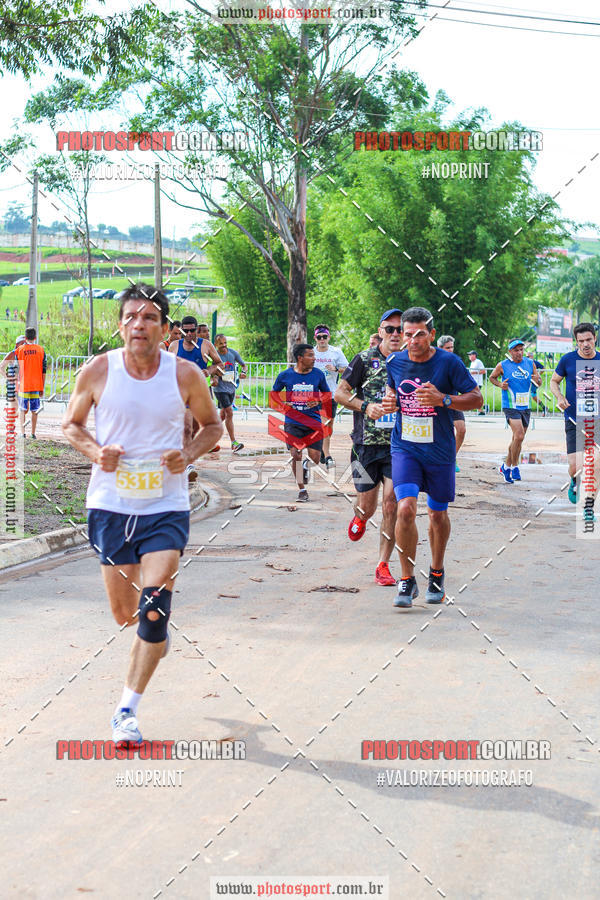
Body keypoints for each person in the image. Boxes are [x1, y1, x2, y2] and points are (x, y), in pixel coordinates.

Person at [62, 283, 222, 746]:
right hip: (111, 504)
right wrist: (96, 452)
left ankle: (126, 710)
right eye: (131, 316)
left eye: (150, 317)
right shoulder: (98, 370)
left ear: (165, 328)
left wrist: (187, 455)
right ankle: (154, 639)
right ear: (120, 325)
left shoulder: (185, 374)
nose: (139, 324)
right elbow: (71, 425)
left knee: (152, 613)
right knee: (123, 614)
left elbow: (212, 426)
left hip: (165, 506)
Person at [381, 307, 482, 608]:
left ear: (432, 333)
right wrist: (388, 402)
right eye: (407, 334)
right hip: (405, 447)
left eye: (419, 334)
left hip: (439, 450)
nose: (412, 340)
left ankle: (436, 572)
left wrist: (444, 400)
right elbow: (392, 393)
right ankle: (407, 579)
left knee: (437, 515)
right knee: (406, 510)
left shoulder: (449, 363)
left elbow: (476, 398)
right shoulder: (395, 362)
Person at [334, 308, 403, 586]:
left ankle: (382, 565)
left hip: (399, 446)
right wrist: (366, 406)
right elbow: (339, 393)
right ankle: (360, 517)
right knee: (368, 506)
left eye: (400, 329)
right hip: (365, 444)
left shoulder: (412, 362)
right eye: (390, 329)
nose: (396, 334)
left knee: (392, 503)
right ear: (381, 331)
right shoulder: (364, 359)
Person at [270, 344, 331, 503]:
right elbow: (274, 395)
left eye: (314, 355)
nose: (314, 358)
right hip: (293, 422)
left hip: (313, 422)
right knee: (295, 454)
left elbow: (327, 395)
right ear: (300, 358)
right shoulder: (285, 375)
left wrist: (317, 400)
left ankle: (306, 466)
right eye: (310, 355)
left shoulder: (318, 374)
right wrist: (284, 405)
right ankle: (302, 490)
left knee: (315, 459)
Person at [550, 322, 600, 505]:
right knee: (575, 466)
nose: (585, 344)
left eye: (589, 339)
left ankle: (589, 505)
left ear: (595, 338)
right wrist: (559, 396)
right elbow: (554, 381)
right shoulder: (568, 360)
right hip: (573, 419)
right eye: (581, 341)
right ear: (576, 342)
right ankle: (574, 480)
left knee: (595, 464)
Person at [169, 315, 222, 474]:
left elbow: (220, 364)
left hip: (201, 394)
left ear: (197, 331)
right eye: (185, 331)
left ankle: (183, 453)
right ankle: (188, 465)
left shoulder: (206, 345)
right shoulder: (174, 346)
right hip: (182, 394)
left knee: (194, 429)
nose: (189, 334)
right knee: (185, 428)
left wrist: (209, 371)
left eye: (192, 330)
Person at [489, 339, 540, 484]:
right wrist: (500, 384)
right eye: (516, 350)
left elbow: (537, 382)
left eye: (521, 349)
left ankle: (510, 466)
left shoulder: (530, 363)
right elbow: (492, 377)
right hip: (510, 405)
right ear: (510, 352)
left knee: (517, 439)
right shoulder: (503, 365)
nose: (519, 353)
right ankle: (511, 466)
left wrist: (539, 380)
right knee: (519, 435)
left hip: (525, 405)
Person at [313, 325, 348, 468]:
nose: (322, 339)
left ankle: (322, 448)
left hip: (331, 393)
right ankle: (327, 455)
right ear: (315, 338)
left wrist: (335, 369)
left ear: (329, 337)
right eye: (319, 337)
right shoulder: (311, 352)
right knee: (323, 424)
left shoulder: (336, 352)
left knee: (329, 425)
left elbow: (347, 369)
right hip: (314, 395)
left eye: (324, 337)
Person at [212, 333, 247, 452]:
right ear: (216, 345)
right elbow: (210, 370)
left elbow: (244, 365)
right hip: (220, 389)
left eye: (225, 342)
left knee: (222, 416)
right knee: (229, 412)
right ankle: (234, 442)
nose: (224, 345)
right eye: (221, 343)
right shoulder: (214, 356)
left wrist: (244, 373)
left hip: (231, 388)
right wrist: (215, 377)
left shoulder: (232, 353)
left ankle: (207, 436)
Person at [437, 335, 466, 473]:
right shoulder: (433, 362)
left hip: (453, 401)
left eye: (452, 347)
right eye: (448, 348)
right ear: (440, 348)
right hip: (438, 403)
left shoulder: (456, 361)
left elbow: (465, 382)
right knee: (441, 433)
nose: (451, 350)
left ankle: (452, 458)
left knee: (461, 430)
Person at [15, 327, 47, 439]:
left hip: (23, 385)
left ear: (25, 338)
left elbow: (16, 369)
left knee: (22, 410)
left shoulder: (19, 350)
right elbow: (44, 370)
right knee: (34, 410)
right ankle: (33, 434)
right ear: (35, 337)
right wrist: (42, 387)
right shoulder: (41, 350)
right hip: (36, 385)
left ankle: (23, 433)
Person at [0, 335, 26, 414]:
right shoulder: (11, 354)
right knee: (14, 409)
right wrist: (7, 377)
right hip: (13, 385)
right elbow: (1, 367)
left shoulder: (26, 355)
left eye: (26, 343)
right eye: (22, 343)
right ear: (17, 344)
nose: (25, 345)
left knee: (23, 409)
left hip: (24, 385)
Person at [467, 350, 486, 414]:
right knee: (476, 396)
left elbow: (484, 371)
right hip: (473, 382)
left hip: (478, 382)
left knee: (476, 396)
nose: (469, 356)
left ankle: (481, 411)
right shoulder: (472, 363)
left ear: (474, 355)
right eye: (469, 355)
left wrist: (475, 372)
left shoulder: (478, 362)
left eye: (470, 355)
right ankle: (484, 407)